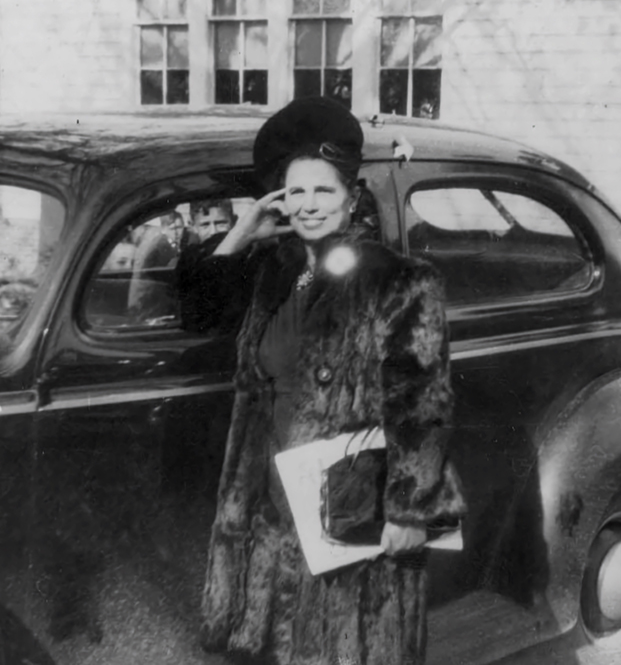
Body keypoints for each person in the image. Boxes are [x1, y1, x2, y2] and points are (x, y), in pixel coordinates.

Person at [180, 96, 465, 665]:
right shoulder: (276, 273)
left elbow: (422, 404)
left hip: (350, 506)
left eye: (323, 190)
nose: (308, 206)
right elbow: (198, 310)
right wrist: (243, 229)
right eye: (295, 192)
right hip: (270, 497)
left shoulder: (400, 281)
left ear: (351, 197)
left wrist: (408, 510)